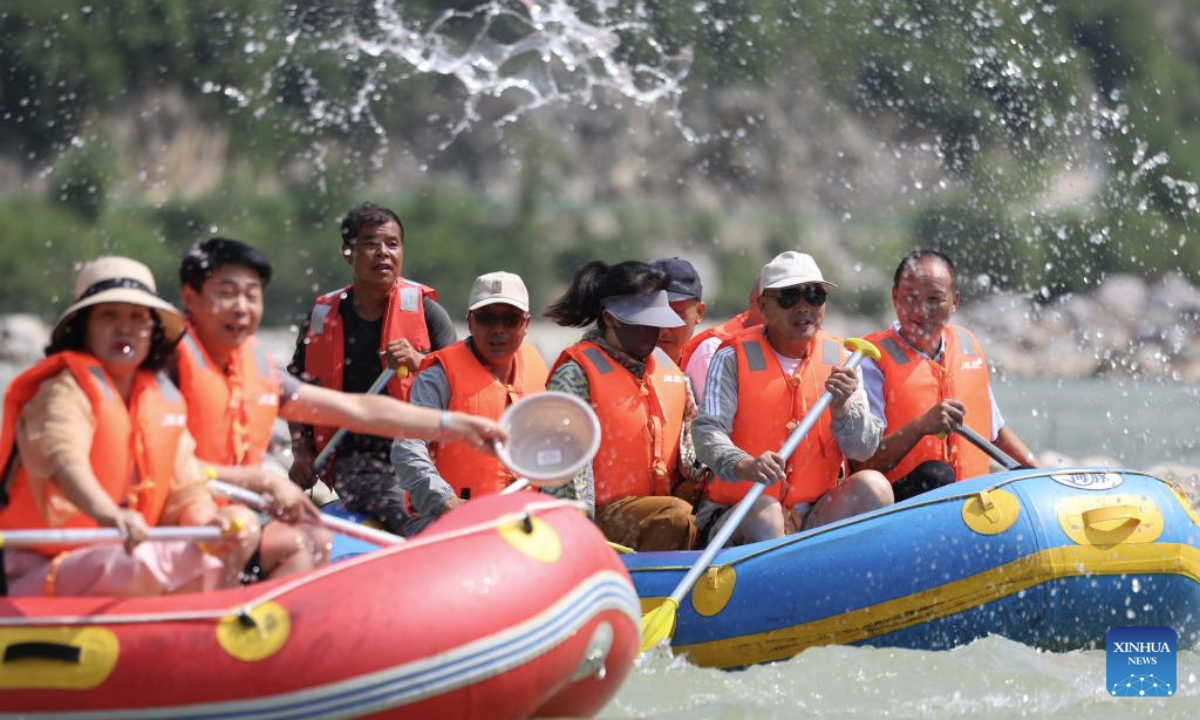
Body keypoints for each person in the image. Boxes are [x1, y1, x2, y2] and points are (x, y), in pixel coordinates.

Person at [176, 240, 505, 570]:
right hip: (174, 518)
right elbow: (168, 467)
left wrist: (455, 425)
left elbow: (358, 410)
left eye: (251, 295)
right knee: (246, 526)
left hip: (225, 512)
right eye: (227, 294)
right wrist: (265, 481)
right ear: (190, 298)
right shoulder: (168, 367)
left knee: (309, 542)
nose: (241, 307)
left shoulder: (256, 367)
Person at [0, 257, 261, 597]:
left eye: (137, 317)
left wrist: (209, 524)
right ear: (85, 328)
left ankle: (198, 623)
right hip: (37, 567)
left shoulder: (159, 398)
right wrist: (108, 514)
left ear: (152, 331)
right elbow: (65, 463)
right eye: (109, 316)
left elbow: (186, 488)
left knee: (241, 527)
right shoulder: (63, 392)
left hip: (117, 556)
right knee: (137, 562)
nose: (124, 328)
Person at [692, 251, 892, 545]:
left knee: (874, 487)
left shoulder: (846, 360)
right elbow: (707, 432)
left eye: (814, 296)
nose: (803, 308)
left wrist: (843, 409)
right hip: (742, 512)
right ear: (763, 305)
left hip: (814, 514)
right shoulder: (731, 357)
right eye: (789, 297)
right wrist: (745, 464)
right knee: (768, 512)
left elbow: (862, 450)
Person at [288, 202, 457, 533]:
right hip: (356, 461)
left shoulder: (428, 313)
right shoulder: (322, 318)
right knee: (410, 509)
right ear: (347, 252)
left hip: (424, 454)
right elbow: (295, 392)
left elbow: (461, 381)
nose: (383, 253)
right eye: (370, 243)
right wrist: (301, 451)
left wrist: (419, 362)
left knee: (432, 492)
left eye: (392, 244)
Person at [857, 249, 1040, 501]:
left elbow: (996, 432)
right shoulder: (870, 360)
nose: (922, 310)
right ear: (895, 296)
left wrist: (1042, 474)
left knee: (1019, 480)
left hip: (969, 500)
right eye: (911, 297)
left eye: (934, 299)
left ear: (955, 302)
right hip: (900, 503)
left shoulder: (967, 348)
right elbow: (865, 462)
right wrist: (921, 427)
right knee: (937, 475)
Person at [543, 261, 698, 551]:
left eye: (656, 323)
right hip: (598, 521)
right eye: (643, 323)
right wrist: (575, 536)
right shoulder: (576, 373)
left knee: (703, 512)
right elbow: (563, 470)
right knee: (675, 515)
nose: (653, 333)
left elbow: (693, 454)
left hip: (659, 515)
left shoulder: (671, 373)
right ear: (610, 318)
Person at [392, 272, 547, 532]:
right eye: (486, 317)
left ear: (526, 323)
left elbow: (563, 445)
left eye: (511, 319)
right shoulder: (438, 376)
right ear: (471, 322)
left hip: (524, 519)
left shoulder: (537, 366)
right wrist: (446, 501)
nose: (499, 329)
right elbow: (407, 447)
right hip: (448, 521)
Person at [681, 274, 765, 401]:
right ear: (758, 303)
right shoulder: (712, 352)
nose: (794, 312)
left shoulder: (795, 350)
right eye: (785, 302)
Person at [651, 257, 707, 368]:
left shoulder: (712, 368)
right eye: (654, 314)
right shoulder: (619, 370)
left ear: (699, 312)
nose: (664, 329)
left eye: (676, 314)